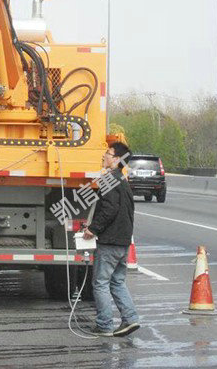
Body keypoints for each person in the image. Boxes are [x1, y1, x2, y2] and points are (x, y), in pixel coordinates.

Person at [82, 142, 141, 337]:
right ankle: (130, 319)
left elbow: (109, 209)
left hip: (110, 241)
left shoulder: (109, 179)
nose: (104, 156)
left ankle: (104, 325)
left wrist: (92, 229)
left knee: (100, 283)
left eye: (108, 153)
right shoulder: (122, 180)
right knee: (117, 282)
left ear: (116, 159)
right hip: (123, 240)